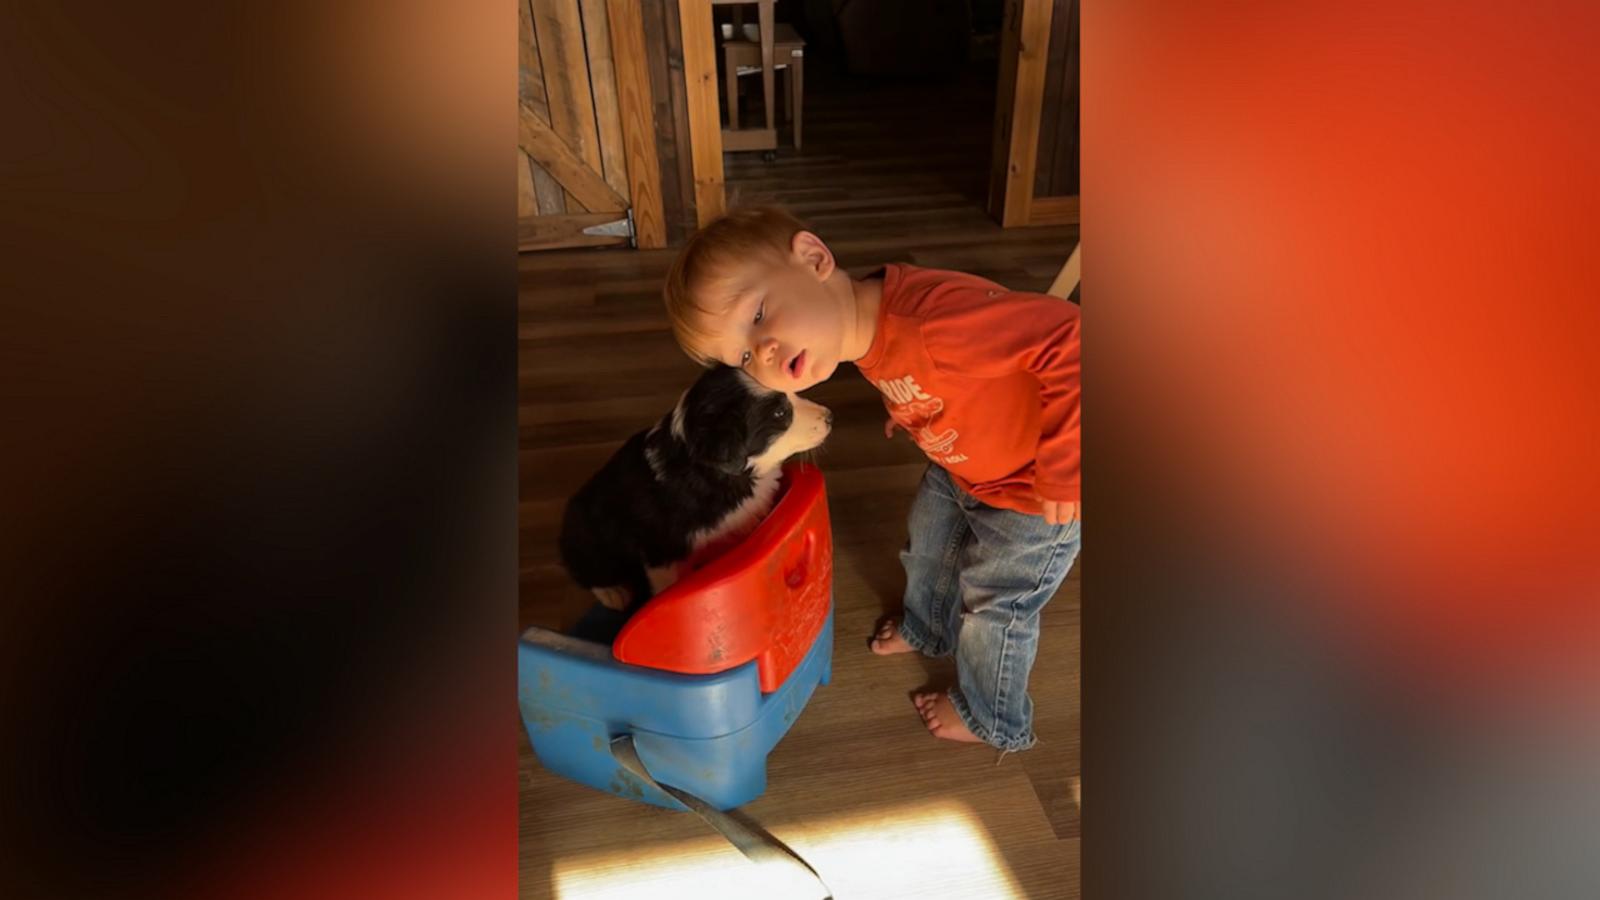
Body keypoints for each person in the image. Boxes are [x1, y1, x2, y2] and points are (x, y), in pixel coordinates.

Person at [662, 207, 1080, 751]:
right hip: (962, 463)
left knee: (997, 608)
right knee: (928, 550)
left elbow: (1072, 339)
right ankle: (928, 627)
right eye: (742, 354)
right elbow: (924, 364)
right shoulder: (856, 324)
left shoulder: (931, 322)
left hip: (1032, 491)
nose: (761, 351)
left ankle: (992, 719)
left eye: (759, 313)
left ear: (815, 258)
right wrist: (912, 405)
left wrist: (1066, 468)